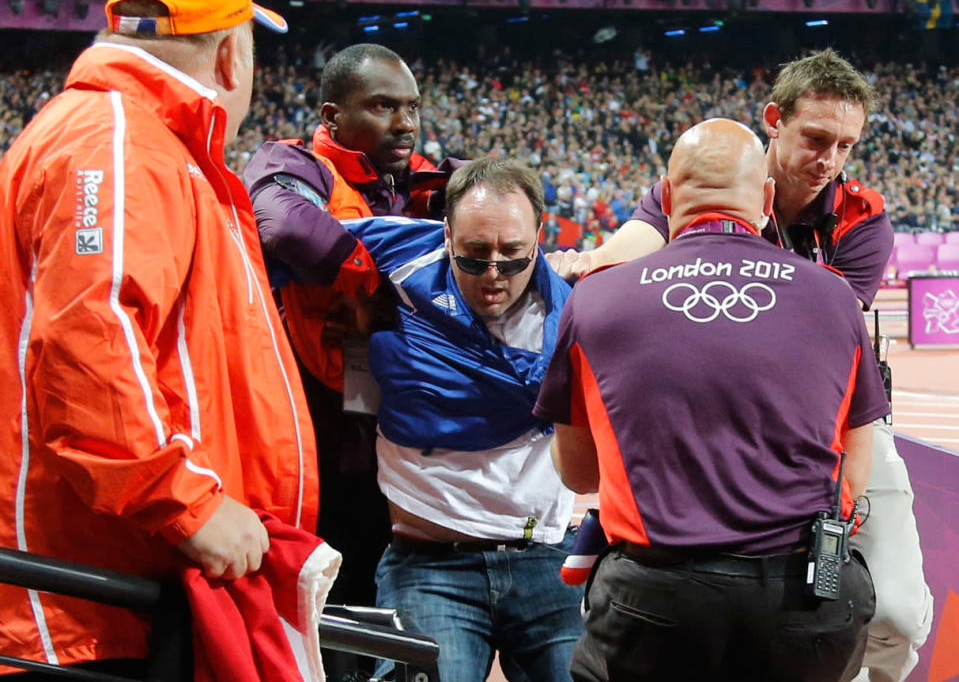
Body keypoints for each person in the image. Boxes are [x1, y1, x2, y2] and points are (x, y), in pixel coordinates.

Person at [549, 49, 933, 682]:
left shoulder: (864, 218)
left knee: (892, 609)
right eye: (815, 139)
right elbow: (628, 251)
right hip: (715, 397)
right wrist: (583, 266)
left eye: (845, 146)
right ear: (774, 120)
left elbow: (807, 328)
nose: (829, 161)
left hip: (827, 409)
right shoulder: (708, 177)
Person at [0, 0, 320, 677]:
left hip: (111, 583)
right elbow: (89, 339)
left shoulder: (118, 135)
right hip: (93, 601)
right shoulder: (116, 139)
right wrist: (189, 504)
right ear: (233, 54)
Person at [334, 157, 584, 682]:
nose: (494, 274)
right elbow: (279, 229)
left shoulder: (575, 301)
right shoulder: (400, 252)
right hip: (429, 565)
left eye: (513, 255)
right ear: (446, 234)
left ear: (539, 235)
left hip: (547, 557)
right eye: (474, 256)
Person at [243, 43, 456, 609]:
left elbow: (504, 225)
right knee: (323, 589)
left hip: (409, 428)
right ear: (333, 116)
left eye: (412, 107)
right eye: (384, 106)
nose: (405, 123)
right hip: (318, 426)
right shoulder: (291, 164)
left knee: (397, 596)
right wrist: (377, 285)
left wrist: (385, 305)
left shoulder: (433, 181)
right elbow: (286, 227)